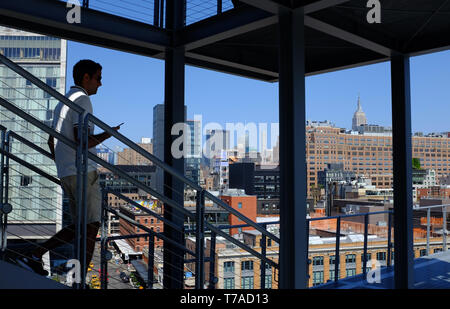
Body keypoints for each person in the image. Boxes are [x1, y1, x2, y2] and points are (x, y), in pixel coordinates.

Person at [17, 60, 122, 278]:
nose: (100, 84)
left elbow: (50, 141)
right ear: (86, 77)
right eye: (98, 78)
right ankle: (79, 276)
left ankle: (39, 254)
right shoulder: (82, 100)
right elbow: (82, 139)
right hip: (83, 171)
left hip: (68, 171)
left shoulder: (63, 102)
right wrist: (109, 133)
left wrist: (63, 164)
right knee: (91, 226)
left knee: (81, 225)